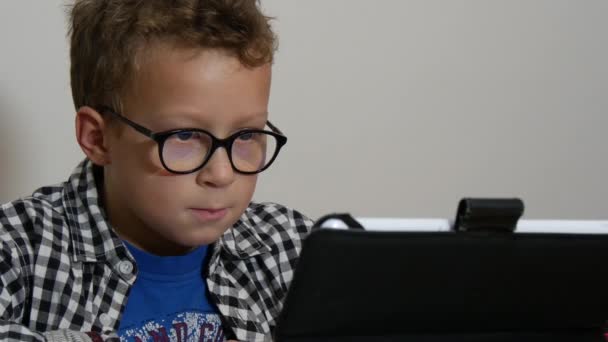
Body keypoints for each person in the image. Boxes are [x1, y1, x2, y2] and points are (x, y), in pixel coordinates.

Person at [0, 1, 312, 341]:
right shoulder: (18, 248)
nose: (222, 175)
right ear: (98, 138)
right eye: (184, 135)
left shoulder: (295, 248)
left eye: (247, 135)